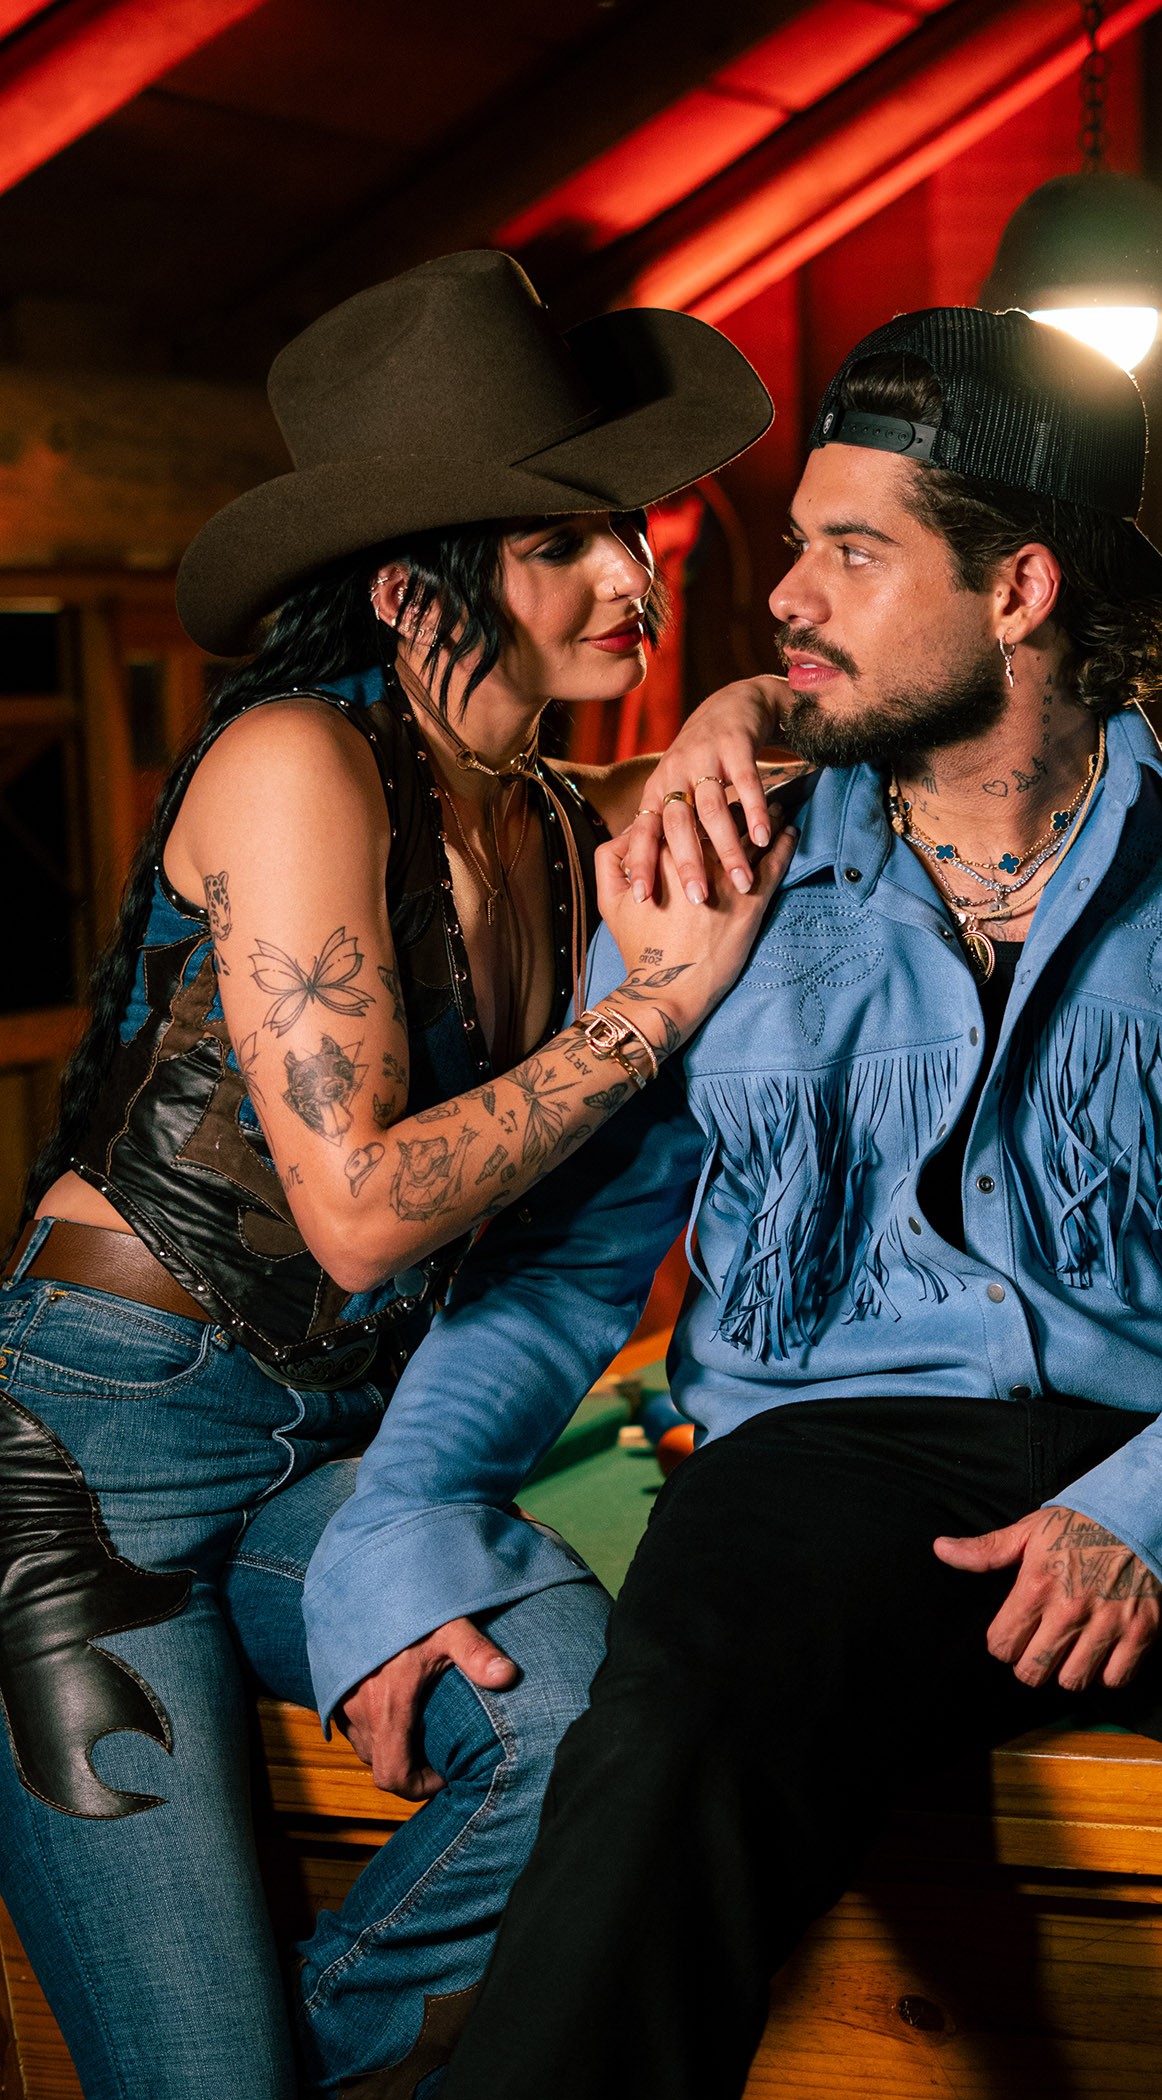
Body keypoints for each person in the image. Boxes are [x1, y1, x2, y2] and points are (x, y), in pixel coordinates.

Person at [302, 304, 1162, 2100]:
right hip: (821, 1475)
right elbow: (568, 1267)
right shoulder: (716, 864)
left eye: (850, 552)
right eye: (800, 544)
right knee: (662, 1750)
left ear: (1020, 590)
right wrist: (401, 1521)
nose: (785, 596)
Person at [0, 247, 798, 2100]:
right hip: (88, 1464)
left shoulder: (553, 813)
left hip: (336, 1459)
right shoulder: (298, 762)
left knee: (591, 1727)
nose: (631, 574)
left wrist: (742, 713)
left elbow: (802, 744)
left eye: (625, 526)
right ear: (406, 585)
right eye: (559, 544)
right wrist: (648, 1014)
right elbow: (358, 1210)